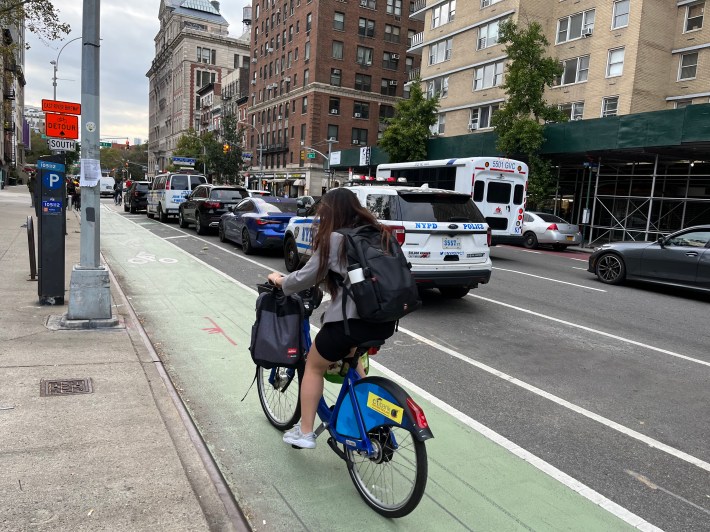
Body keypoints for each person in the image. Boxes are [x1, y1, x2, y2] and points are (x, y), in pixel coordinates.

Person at [267, 188, 397, 449]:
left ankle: (305, 433)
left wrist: (282, 282)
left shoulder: (336, 239)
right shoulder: (378, 234)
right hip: (384, 320)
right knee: (353, 362)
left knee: (314, 366)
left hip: (350, 323)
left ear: (330, 211)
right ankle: (368, 421)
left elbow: (306, 276)